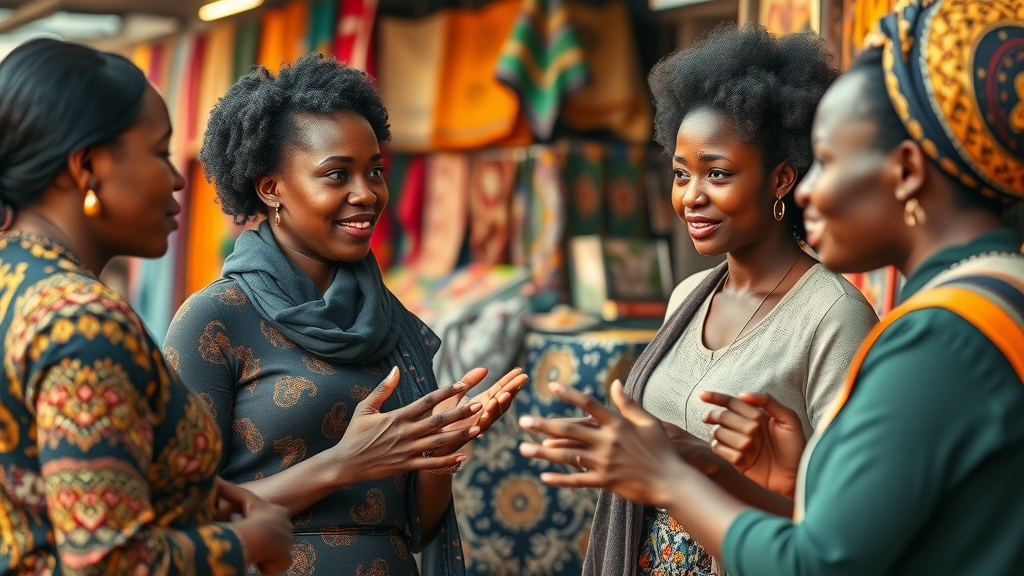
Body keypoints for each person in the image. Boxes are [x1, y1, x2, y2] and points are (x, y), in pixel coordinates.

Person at [518, 0, 1024, 574]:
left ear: (906, 171)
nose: (809, 190)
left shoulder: (938, 339)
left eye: (828, 161)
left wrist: (670, 478)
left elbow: (817, 562)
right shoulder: (996, 297)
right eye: (681, 173)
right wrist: (729, 475)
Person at [163, 54, 526, 576]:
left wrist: (438, 452)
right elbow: (183, 513)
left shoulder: (392, 322)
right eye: (337, 175)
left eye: (375, 171)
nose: (367, 194)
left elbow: (417, 529)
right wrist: (342, 464)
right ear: (271, 188)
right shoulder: (215, 318)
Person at [573, 22, 878, 576]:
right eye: (680, 174)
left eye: (717, 173)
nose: (691, 196)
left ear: (782, 177)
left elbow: (844, 526)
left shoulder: (835, 318)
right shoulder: (690, 295)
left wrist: (709, 472)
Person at [0, 39, 295, 575]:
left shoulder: (12, 287)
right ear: (87, 166)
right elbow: (109, 562)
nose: (179, 178)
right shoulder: (79, 322)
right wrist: (252, 541)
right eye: (160, 153)